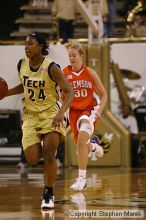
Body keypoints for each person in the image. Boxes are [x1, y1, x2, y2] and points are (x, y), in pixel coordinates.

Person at [5, 32, 74, 209]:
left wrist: (61, 113)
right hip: (30, 116)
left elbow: (69, 90)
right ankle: (45, 150)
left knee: (50, 152)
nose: (26, 47)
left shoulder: (51, 67)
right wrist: (6, 93)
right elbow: (25, 85)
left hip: (51, 114)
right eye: (25, 44)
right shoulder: (21, 64)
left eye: (30, 44)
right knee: (32, 160)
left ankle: (48, 193)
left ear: (41, 46)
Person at [62, 40, 107, 191]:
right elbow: (60, 94)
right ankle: (93, 146)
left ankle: (82, 179)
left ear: (81, 56)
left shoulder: (90, 73)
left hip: (90, 109)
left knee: (81, 139)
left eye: (74, 55)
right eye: (69, 56)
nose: (71, 58)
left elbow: (104, 94)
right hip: (74, 112)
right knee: (80, 146)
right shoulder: (64, 73)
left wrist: (99, 110)